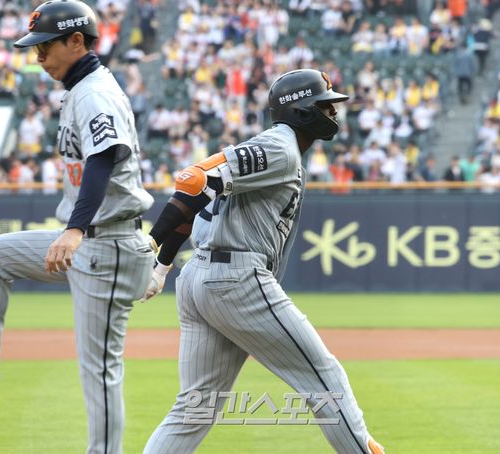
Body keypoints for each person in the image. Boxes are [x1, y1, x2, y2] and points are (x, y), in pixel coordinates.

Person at [0, 2, 155, 453]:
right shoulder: (78, 90)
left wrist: (75, 229)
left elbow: (103, 158)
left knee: (99, 371)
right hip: (95, 242)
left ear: (77, 41)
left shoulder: (95, 93)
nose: (38, 57)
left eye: (45, 47)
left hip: (108, 244)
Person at [140, 69, 385, 453]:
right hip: (235, 278)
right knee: (325, 378)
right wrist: (152, 242)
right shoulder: (280, 147)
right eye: (325, 105)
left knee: (195, 408)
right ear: (302, 111)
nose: (333, 113)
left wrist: (163, 265)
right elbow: (193, 180)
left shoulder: (275, 148)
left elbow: (199, 197)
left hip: (199, 277)